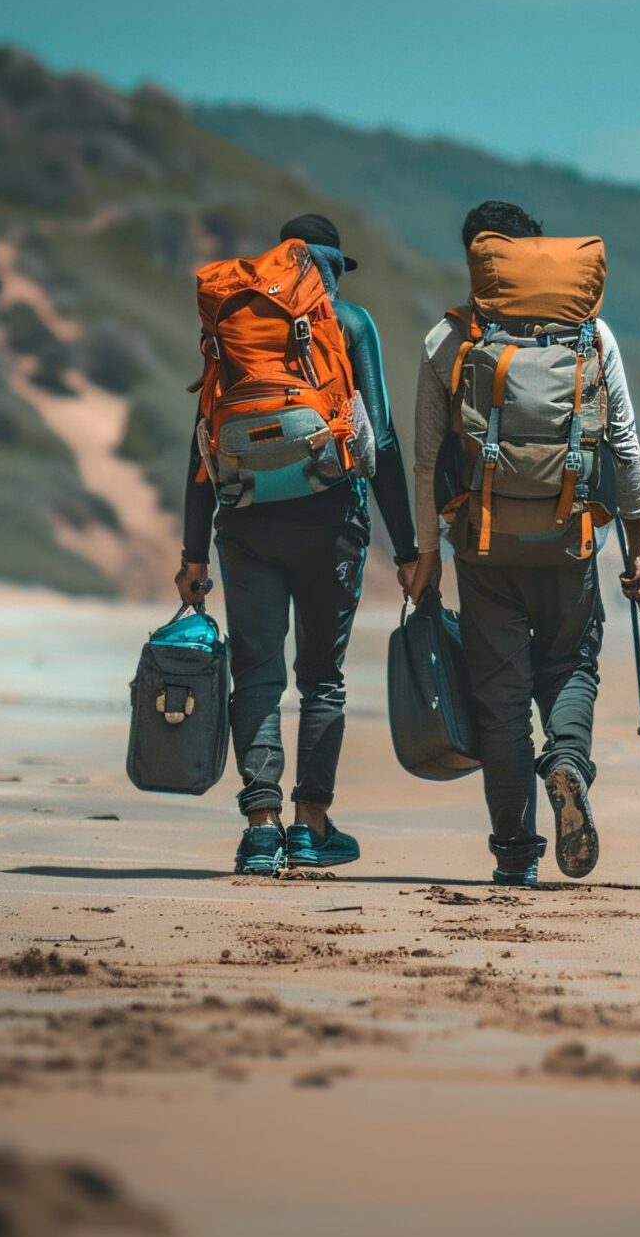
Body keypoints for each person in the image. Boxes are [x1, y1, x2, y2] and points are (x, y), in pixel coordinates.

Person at [405, 200, 640, 886]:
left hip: (483, 547)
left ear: (477, 261)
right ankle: (567, 760)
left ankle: (515, 851)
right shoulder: (592, 335)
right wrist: (638, 540)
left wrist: (427, 553)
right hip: (570, 538)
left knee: (501, 694)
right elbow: (625, 443)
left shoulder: (447, 339)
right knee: (570, 664)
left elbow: (426, 459)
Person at [174, 213, 422, 876]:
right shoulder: (350, 323)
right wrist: (408, 550)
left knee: (257, 674)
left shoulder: (235, 319)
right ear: (332, 267)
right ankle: (310, 828)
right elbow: (381, 441)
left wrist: (193, 555)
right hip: (330, 524)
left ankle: (261, 828)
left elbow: (201, 445)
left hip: (246, 523)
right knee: (322, 680)